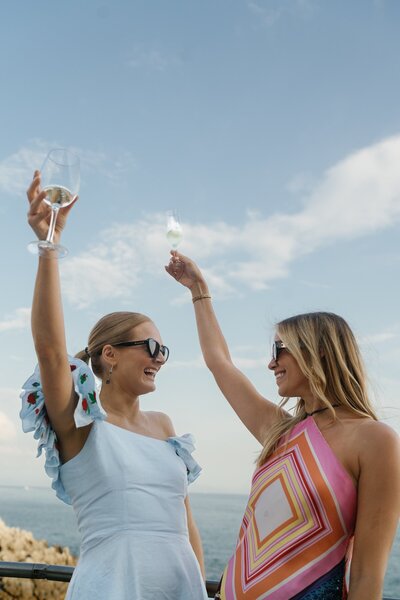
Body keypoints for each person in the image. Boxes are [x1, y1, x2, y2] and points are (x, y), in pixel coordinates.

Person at [166, 250, 400, 600]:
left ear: (319, 351)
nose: (270, 363)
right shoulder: (280, 431)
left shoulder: (375, 440)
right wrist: (199, 290)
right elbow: (220, 363)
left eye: (279, 350)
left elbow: (367, 575)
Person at [20, 171, 208, 600]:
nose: (160, 357)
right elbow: (50, 350)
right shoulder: (82, 422)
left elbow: (186, 528)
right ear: (110, 354)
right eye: (151, 346)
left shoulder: (164, 426)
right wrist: (49, 248)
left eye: (165, 349)